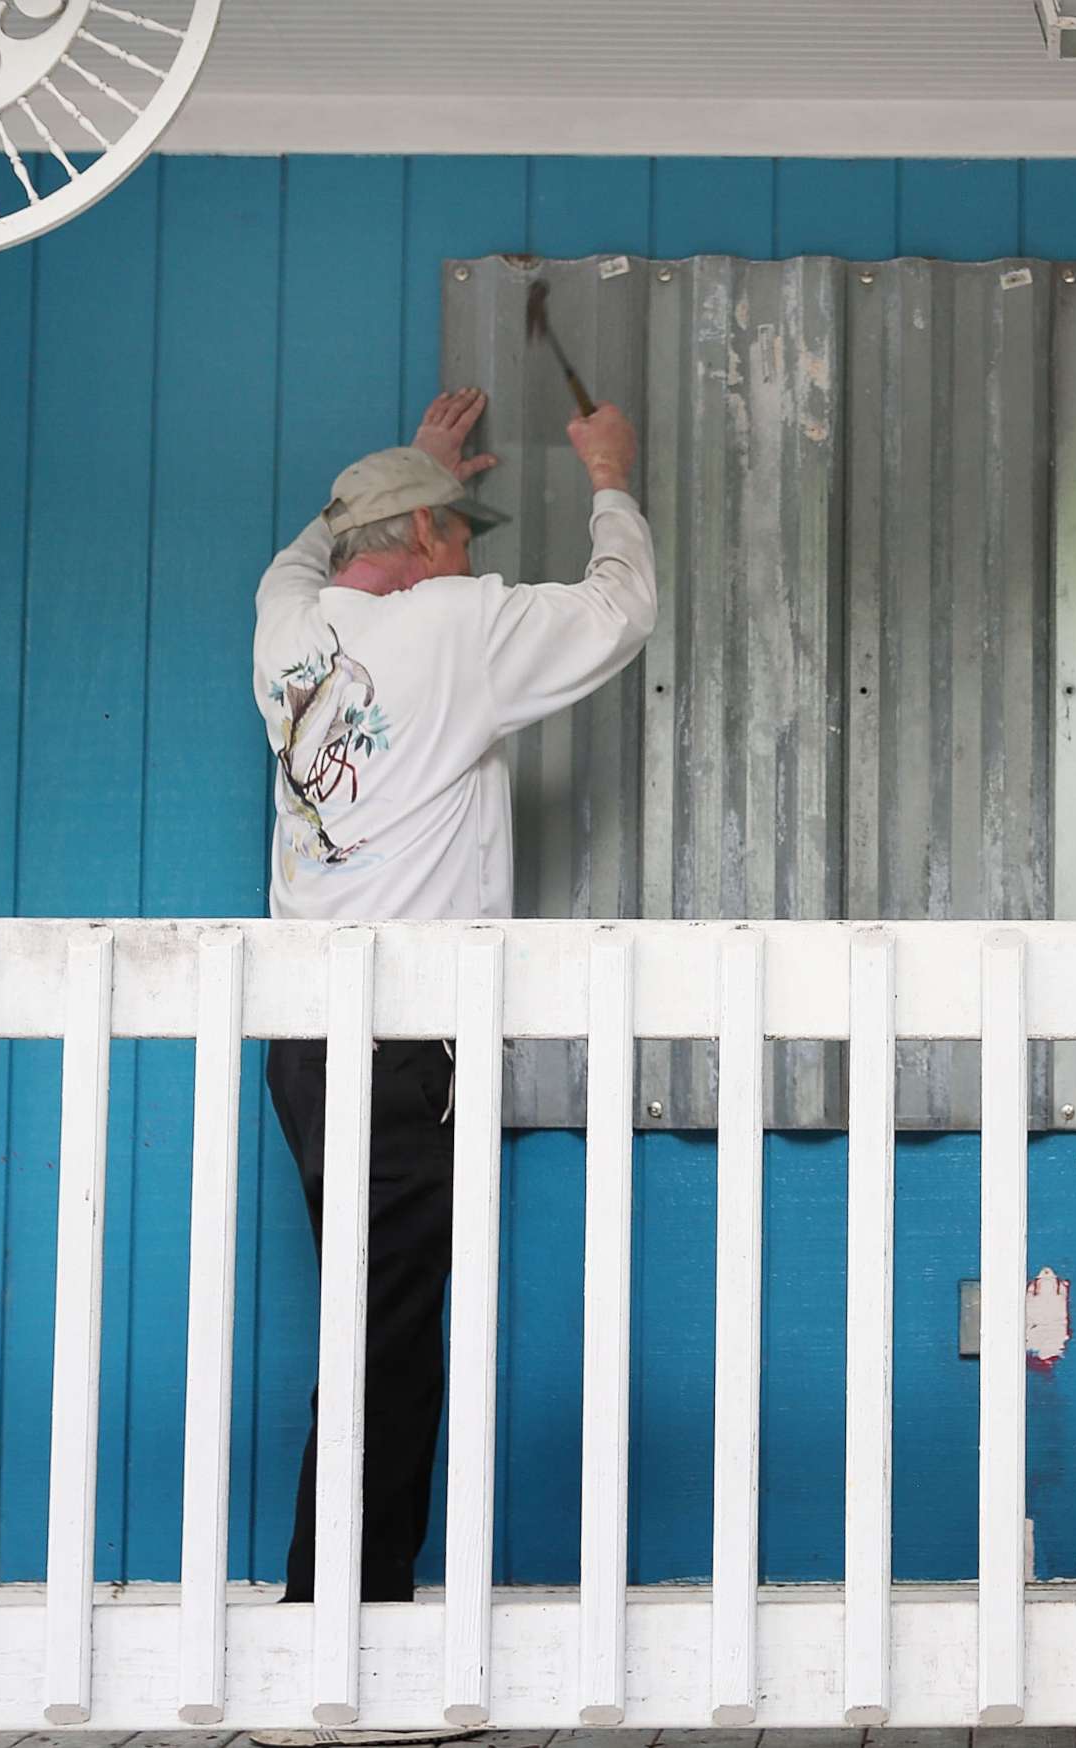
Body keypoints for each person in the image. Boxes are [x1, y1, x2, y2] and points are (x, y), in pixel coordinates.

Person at [250, 388, 652, 1703]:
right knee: (393, 1334)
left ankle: (337, 1620)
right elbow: (618, 610)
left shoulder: (287, 634)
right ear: (418, 534)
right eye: (459, 525)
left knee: (372, 1322)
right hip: (401, 1044)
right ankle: (343, 1640)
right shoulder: (456, 628)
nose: (472, 548)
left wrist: (406, 470)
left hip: (305, 1045)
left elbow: (298, 553)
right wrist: (608, 478)